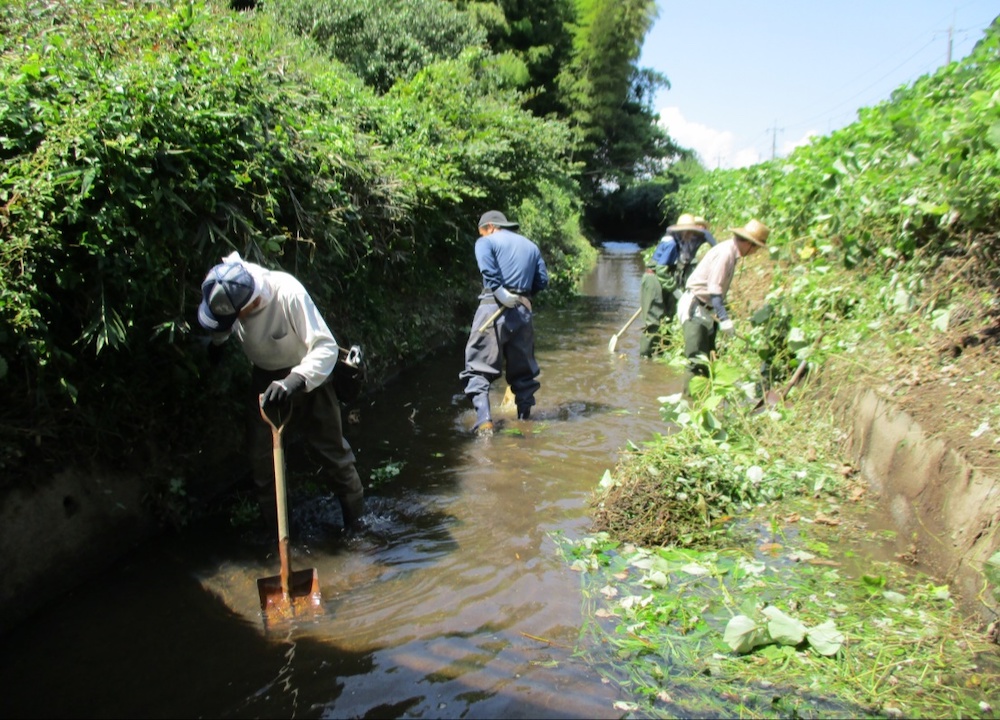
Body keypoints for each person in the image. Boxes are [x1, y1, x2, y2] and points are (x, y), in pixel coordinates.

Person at [197, 251, 366, 534]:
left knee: (332, 453)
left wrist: (293, 381)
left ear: (251, 305)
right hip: (264, 379)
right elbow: (222, 320)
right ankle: (280, 534)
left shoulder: (287, 293)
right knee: (263, 461)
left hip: (309, 375)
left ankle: (357, 526)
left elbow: (325, 347)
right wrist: (217, 344)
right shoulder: (226, 288)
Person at [459, 210, 549, 436]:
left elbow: (488, 270)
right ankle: (525, 421)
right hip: (523, 312)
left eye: (482, 231)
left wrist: (500, 292)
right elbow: (542, 281)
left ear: (490, 227)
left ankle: (484, 422)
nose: (481, 236)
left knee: (477, 368)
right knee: (524, 372)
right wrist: (521, 297)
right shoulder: (531, 247)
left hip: (492, 308)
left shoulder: (486, 242)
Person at [676, 218, 770, 383]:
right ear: (749, 244)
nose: (755, 253)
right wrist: (724, 318)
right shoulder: (725, 253)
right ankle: (689, 398)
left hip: (706, 308)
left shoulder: (731, 252)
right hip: (695, 307)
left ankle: (705, 395)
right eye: (756, 248)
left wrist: (720, 314)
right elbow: (714, 289)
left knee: (710, 358)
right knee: (696, 362)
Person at [639, 213, 716, 357]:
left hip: (665, 279)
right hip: (654, 279)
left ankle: (661, 353)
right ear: (682, 231)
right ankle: (645, 357)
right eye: (690, 232)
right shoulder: (671, 243)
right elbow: (661, 271)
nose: (692, 235)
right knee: (653, 321)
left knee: (668, 316)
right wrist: (675, 290)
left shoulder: (682, 242)